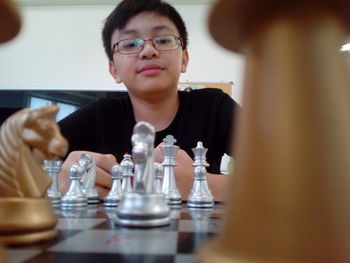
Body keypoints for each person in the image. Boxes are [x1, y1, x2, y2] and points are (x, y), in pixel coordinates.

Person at [58, 0, 239, 202]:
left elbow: (279, 173)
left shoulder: (213, 106)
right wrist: (60, 180)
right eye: (130, 44)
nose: (148, 51)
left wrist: (201, 184)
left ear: (184, 60)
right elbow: (20, 161)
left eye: (163, 40)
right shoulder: (97, 115)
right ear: (114, 70)